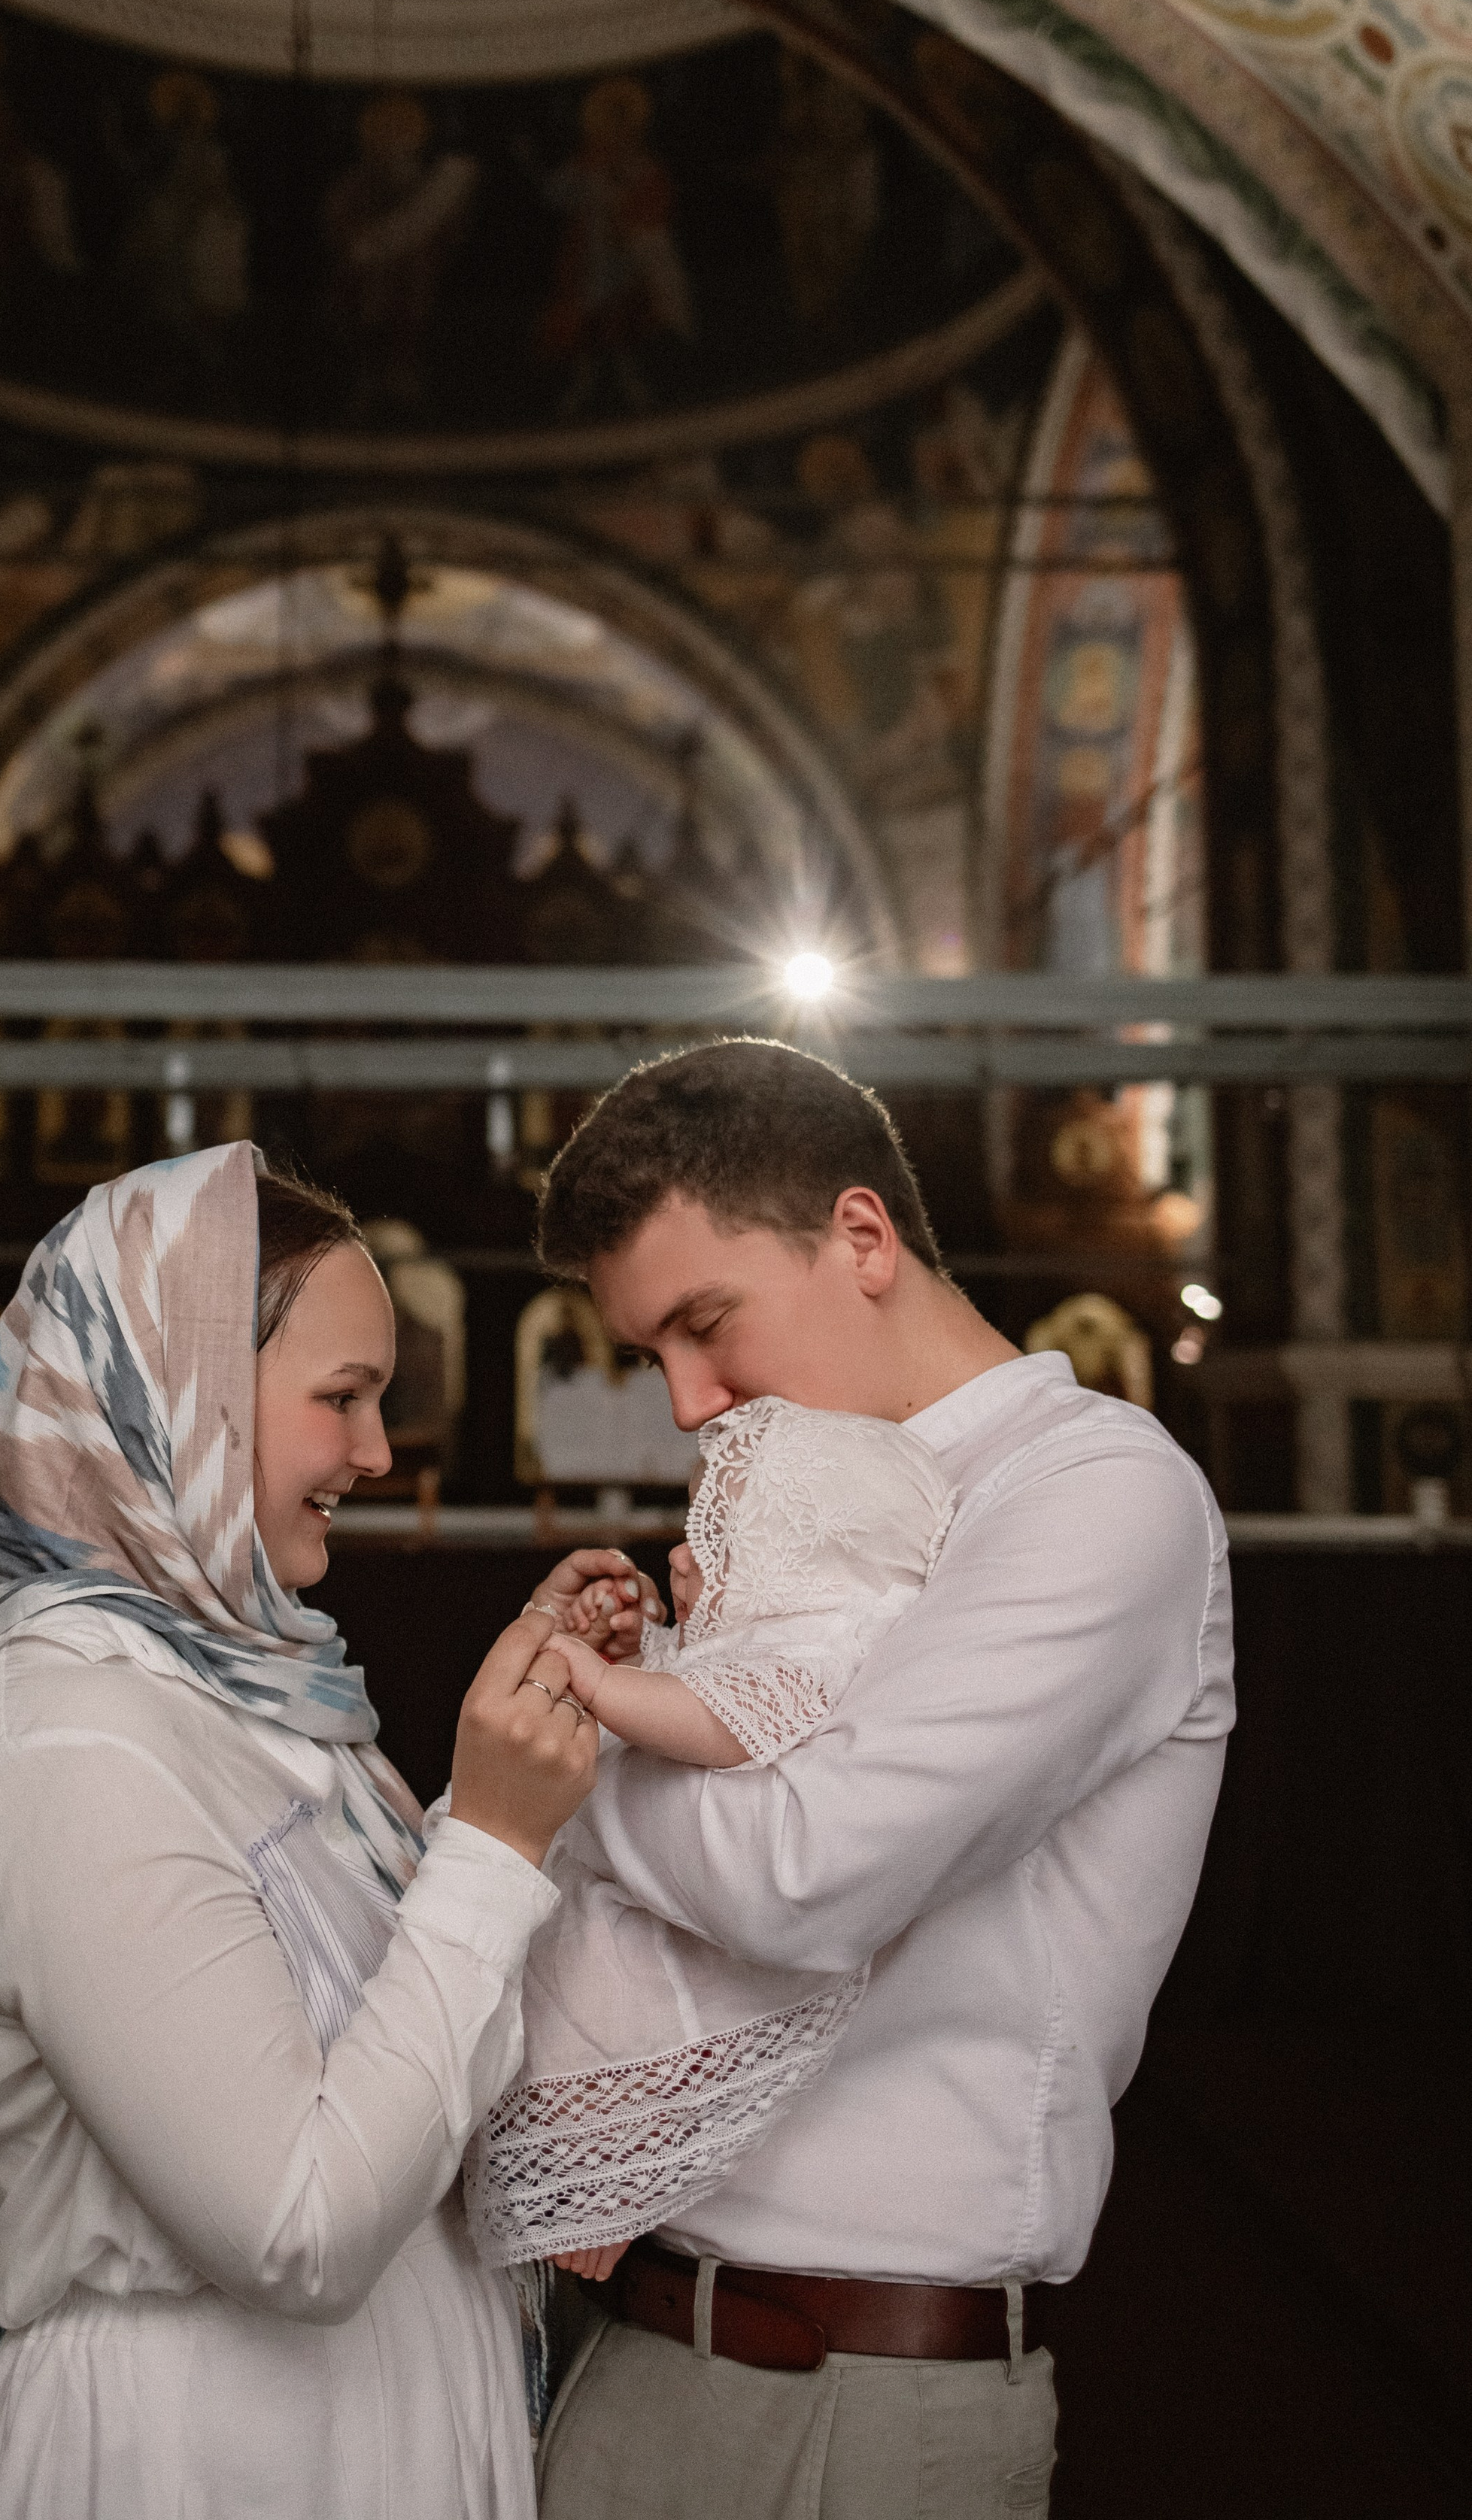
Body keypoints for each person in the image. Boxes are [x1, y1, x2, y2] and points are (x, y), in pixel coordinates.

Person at [527, 1039, 1234, 2520]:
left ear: (859, 1236)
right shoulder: (805, 1493)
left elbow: (807, 1872)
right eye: (649, 1353)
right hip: (636, 2342)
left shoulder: (1094, 1492)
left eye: (703, 1325)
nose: (685, 1403)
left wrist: (572, 1753)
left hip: (857, 2390)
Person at [0, 1141, 598, 2520]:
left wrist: (502, 1766)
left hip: (356, 2431)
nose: (377, 1452)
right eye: (339, 1398)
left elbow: (381, 2008)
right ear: (176, 1402)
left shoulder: (247, 1696)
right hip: (201, 2457)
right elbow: (297, 2227)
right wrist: (499, 1846)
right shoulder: (75, 1740)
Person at [466, 1399, 955, 2281]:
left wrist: (596, 1683)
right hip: (647, 1916)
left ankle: (598, 2194)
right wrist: (635, 1653)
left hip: (688, 1959)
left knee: (613, 2014)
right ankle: (586, 2188)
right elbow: (694, 1690)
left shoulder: (821, 1646)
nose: (681, 1555)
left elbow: (716, 1722)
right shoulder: (773, 1641)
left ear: (798, 1563)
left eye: (719, 1538)